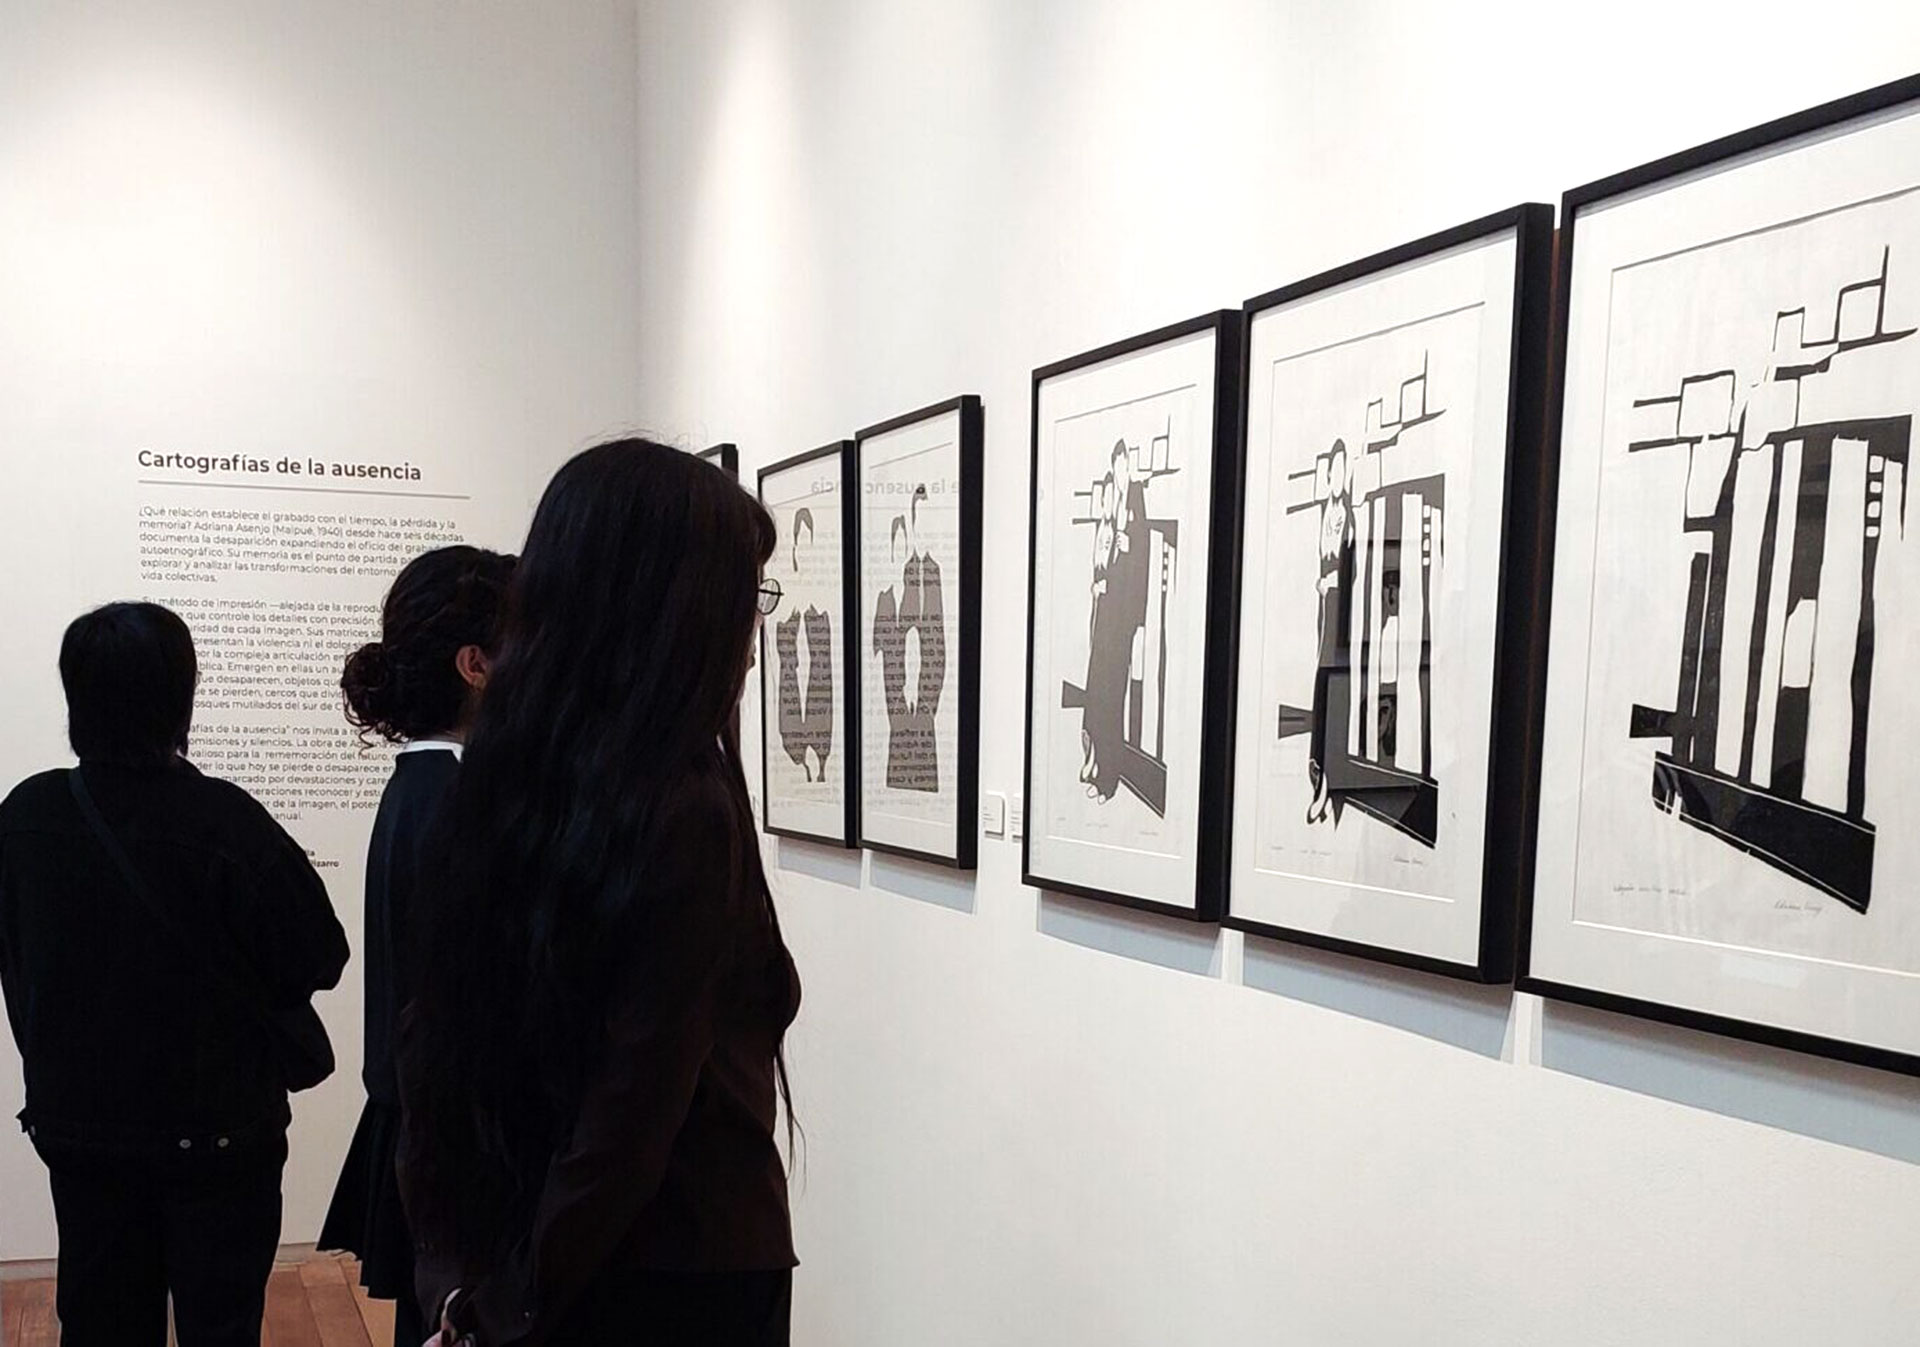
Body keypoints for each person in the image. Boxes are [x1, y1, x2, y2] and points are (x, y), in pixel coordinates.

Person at [399, 441, 801, 1346]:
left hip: (524, 1255)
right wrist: (505, 1303)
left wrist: (461, 1287)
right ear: (676, 610)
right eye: (744, 597)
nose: (750, 635)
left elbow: (431, 1051)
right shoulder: (684, 801)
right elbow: (634, 1109)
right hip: (672, 1270)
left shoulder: (500, 779)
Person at [0, 602, 348, 1347]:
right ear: (180, 695)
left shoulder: (26, 814)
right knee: (221, 1327)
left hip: (81, 1130)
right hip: (218, 1135)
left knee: (98, 1323)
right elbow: (320, 956)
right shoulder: (223, 820)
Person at [319, 546, 516, 1345]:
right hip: (462, 1149)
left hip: (430, 1134)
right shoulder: (461, 803)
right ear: (475, 665)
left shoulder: (420, 789)